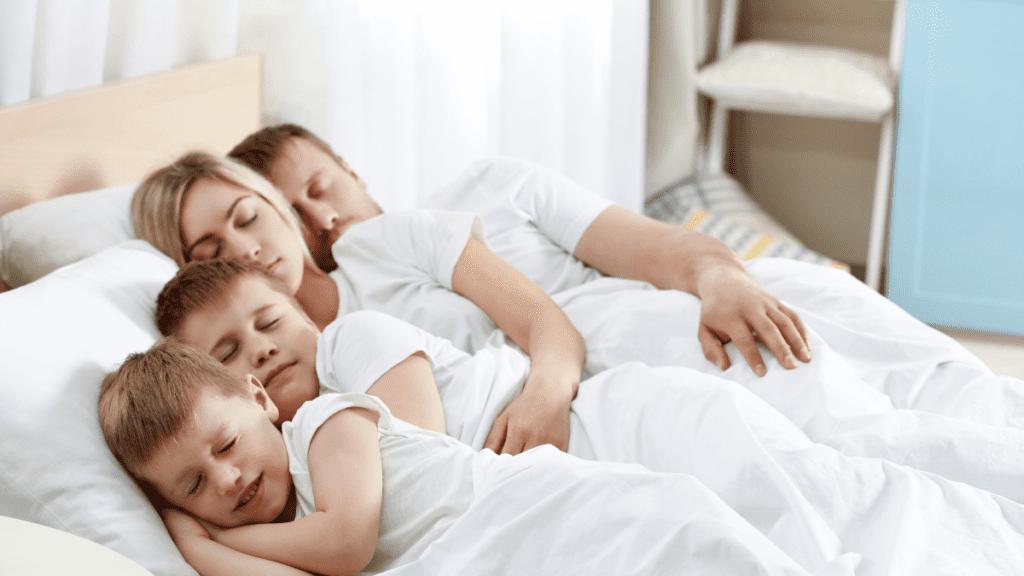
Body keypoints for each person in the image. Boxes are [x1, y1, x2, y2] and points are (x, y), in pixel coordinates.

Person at [153, 257, 1024, 575]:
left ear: (304, 311)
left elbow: (422, 464)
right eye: (229, 353)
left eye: (268, 323)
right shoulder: (299, 462)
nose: (260, 350)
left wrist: (221, 540)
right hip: (586, 465)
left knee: (835, 495)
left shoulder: (354, 347)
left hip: (623, 421)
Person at [227, 124, 1024, 433]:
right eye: (291, 214)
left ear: (352, 169)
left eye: (321, 188)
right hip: (629, 382)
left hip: (688, 308)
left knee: (959, 393)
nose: (321, 219)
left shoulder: (491, 187)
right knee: (860, 434)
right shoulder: (342, 337)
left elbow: (651, 247)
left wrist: (719, 277)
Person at [98, 339, 824, 576]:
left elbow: (348, 543)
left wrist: (208, 541)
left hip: (532, 512)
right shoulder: (285, 538)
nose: (227, 479)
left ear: (260, 399)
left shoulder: (325, 424)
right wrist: (200, 550)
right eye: (193, 486)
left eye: (226, 445)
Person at [132, 151, 588, 453]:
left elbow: (543, 318)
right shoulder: (272, 390)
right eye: (212, 253)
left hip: (566, 408)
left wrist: (544, 399)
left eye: (248, 218)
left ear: (276, 206)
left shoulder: (386, 242)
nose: (246, 249)